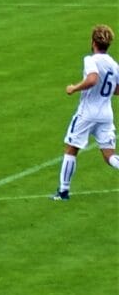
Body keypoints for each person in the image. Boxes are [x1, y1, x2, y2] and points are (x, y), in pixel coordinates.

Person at [52, 23, 119, 201]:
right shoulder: (114, 64)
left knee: (71, 149)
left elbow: (92, 79)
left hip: (87, 113)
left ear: (93, 42)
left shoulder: (90, 60)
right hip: (106, 114)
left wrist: (74, 88)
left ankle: (63, 191)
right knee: (110, 156)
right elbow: (117, 89)